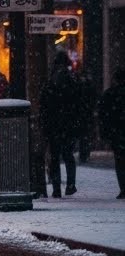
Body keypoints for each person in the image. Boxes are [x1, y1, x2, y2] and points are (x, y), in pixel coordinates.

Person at [41, 52, 82, 198]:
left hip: (54, 124)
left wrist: (45, 123)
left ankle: (56, 187)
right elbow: (78, 104)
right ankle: (70, 185)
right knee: (68, 155)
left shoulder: (50, 81)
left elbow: (44, 104)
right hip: (68, 124)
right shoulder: (72, 80)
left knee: (54, 157)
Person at [98, 66, 125, 199]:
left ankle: (123, 187)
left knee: (120, 161)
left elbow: (103, 115)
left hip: (117, 132)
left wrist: (104, 133)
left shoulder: (110, 94)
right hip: (119, 130)